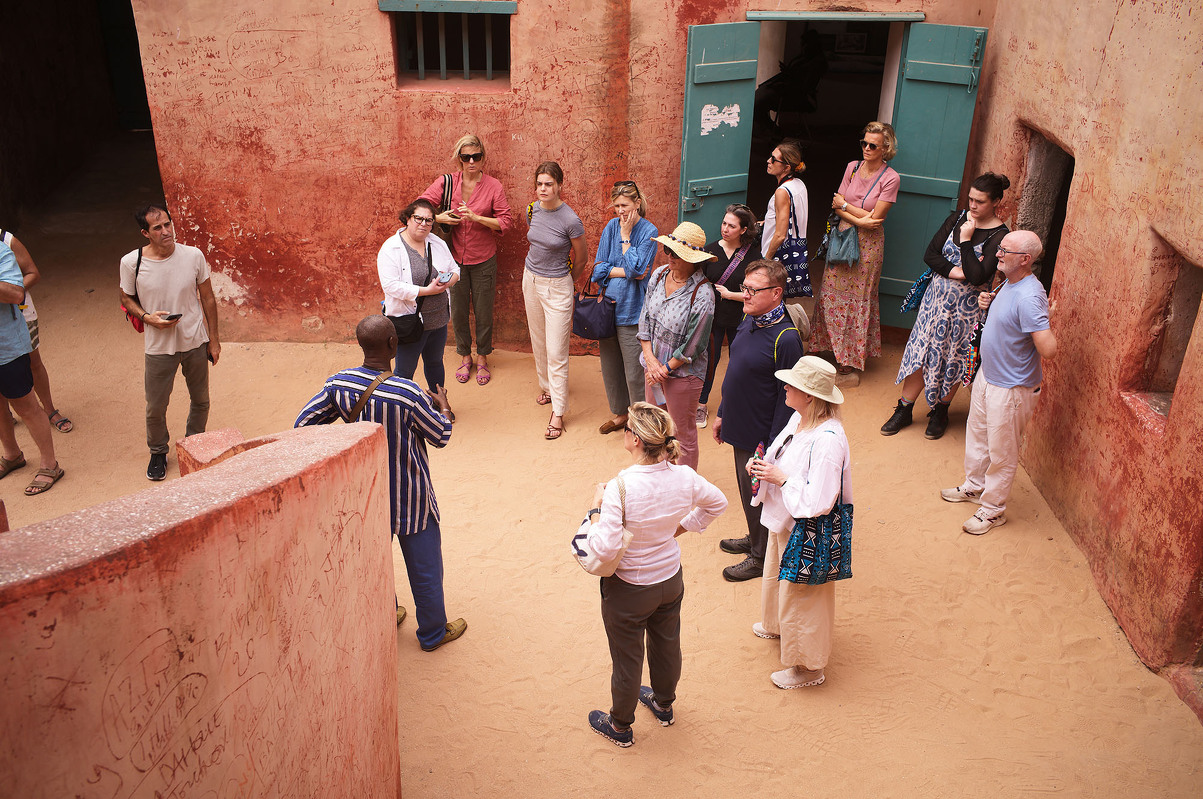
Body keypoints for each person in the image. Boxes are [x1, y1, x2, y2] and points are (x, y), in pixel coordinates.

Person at [295, 315, 467, 651]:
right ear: (393, 344)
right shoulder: (408, 392)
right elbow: (440, 435)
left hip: (364, 496)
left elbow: (304, 425)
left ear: (361, 345)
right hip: (411, 498)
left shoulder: (338, 385)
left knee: (374, 562)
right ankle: (432, 634)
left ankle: (388, 612)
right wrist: (444, 407)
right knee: (426, 571)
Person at [582, 402, 728, 747]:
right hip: (669, 580)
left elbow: (604, 548)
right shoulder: (685, 476)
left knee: (627, 656)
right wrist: (681, 528)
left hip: (629, 588)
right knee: (666, 644)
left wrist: (594, 511)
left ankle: (619, 725)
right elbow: (717, 502)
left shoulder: (620, 486)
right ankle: (664, 705)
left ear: (634, 438)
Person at [941, 231, 1057, 535]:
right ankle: (974, 487)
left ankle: (993, 511)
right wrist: (987, 303)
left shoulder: (1031, 296)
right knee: (977, 435)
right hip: (989, 377)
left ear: (1025, 260)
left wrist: (1044, 320)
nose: (998, 254)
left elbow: (1049, 349)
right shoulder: (1008, 281)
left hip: (1012, 388)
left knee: (1002, 451)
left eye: (1005, 250)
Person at [883, 173, 1011, 439]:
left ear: (996, 201)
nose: (973, 206)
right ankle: (904, 409)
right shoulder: (957, 217)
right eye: (971, 199)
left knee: (953, 357)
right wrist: (956, 272)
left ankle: (941, 411)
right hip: (935, 302)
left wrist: (966, 241)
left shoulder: (1001, 235)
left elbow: (979, 275)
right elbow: (930, 254)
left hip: (967, 310)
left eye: (981, 202)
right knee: (921, 351)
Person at [748, 356, 850, 689]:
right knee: (779, 576)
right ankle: (777, 625)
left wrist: (780, 479)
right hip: (786, 520)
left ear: (810, 395)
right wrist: (763, 467)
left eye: (793, 383)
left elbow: (819, 501)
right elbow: (781, 459)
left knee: (804, 597)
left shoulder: (828, 441)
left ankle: (808, 667)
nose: (786, 386)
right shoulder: (799, 418)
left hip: (807, 529)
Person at [712, 260, 804, 582]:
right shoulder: (749, 319)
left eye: (753, 290)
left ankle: (760, 556)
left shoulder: (787, 339)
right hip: (738, 424)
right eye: (744, 288)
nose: (745, 295)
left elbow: (789, 399)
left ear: (776, 293)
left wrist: (773, 448)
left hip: (761, 437)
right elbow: (736, 368)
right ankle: (755, 538)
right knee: (747, 491)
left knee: (760, 493)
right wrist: (722, 412)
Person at [119, 204, 220, 481]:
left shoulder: (193, 256)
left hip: (195, 340)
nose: (166, 231)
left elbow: (208, 298)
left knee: (200, 399)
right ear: (145, 233)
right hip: (158, 346)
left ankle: (194, 443)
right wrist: (147, 317)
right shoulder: (131, 262)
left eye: (167, 224)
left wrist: (214, 341)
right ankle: (158, 451)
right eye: (157, 228)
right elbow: (125, 297)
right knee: (155, 405)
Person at [809, 122, 901, 377]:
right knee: (830, 291)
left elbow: (878, 217)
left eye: (873, 145)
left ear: (886, 148)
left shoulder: (891, 178)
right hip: (843, 237)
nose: (867, 148)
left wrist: (848, 209)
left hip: (869, 246)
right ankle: (823, 346)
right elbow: (836, 204)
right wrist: (861, 219)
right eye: (864, 143)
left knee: (858, 299)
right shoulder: (852, 168)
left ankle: (848, 360)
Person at [420, 134, 512, 387]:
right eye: (466, 157)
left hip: (484, 259)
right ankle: (464, 355)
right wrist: (439, 219)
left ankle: (482, 356)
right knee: (458, 311)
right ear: (459, 159)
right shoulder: (447, 182)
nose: (472, 161)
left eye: (476, 157)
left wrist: (477, 218)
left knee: (484, 312)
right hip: (452, 260)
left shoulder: (494, 186)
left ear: (483, 158)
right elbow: (420, 208)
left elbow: (505, 221)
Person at [640, 222, 716, 470]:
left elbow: (694, 343)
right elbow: (645, 320)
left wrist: (664, 369)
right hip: (653, 367)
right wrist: (651, 361)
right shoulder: (659, 275)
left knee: (682, 433)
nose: (669, 256)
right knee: (654, 425)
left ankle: (685, 485)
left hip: (682, 374)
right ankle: (660, 475)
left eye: (676, 253)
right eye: (668, 250)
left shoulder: (703, 293)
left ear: (691, 258)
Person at [378, 198, 460, 421]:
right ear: (407, 218)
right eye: (419, 219)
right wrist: (427, 291)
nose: (423, 224)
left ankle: (439, 403)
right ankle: (399, 410)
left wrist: (448, 281)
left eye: (429, 220)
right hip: (410, 322)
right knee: (405, 369)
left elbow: (455, 269)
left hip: (438, 318)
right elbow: (391, 286)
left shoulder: (437, 243)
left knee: (435, 362)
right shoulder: (390, 249)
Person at [522, 161, 587, 440]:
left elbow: (581, 257)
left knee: (557, 351)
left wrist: (568, 282)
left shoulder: (570, 219)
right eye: (539, 184)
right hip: (531, 280)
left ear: (560, 184)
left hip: (558, 286)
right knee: (538, 341)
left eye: (549, 184)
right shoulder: (533, 209)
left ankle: (558, 412)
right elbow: (535, 240)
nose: (543, 189)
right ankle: (547, 388)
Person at [591, 181, 658, 435]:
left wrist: (627, 236)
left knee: (633, 371)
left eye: (625, 205)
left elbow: (638, 270)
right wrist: (624, 272)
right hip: (607, 309)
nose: (620, 211)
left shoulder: (649, 230)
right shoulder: (610, 227)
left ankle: (638, 420)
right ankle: (620, 414)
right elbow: (598, 270)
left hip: (633, 311)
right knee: (610, 368)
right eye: (617, 205)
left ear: (637, 203)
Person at [0, 240, 63, 495]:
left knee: (25, 405)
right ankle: (12, 455)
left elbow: (16, 293)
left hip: (6, 346)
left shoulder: (2, 250)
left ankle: (50, 464)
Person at [0, 228, 72, 433]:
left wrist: (13, 291)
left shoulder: (6, 240)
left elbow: (32, 273)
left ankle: (49, 410)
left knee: (33, 360)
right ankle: (6, 415)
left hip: (19, 310)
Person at [697, 203, 758, 430]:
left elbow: (757, 292)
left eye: (732, 226)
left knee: (738, 362)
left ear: (743, 230)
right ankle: (701, 405)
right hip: (713, 317)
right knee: (710, 361)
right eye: (724, 223)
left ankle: (730, 405)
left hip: (741, 317)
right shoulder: (710, 251)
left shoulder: (752, 255)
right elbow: (699, 283)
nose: (725, 229)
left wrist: (731, 295)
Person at [760, 140, 810, 296]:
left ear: (787, 167)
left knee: (767, 298)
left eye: (774, 159)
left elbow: (781, 234)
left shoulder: (782, 191)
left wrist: (765, 261)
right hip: (796, 248)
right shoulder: (799, 184)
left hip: (777, 254)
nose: (769, 161)